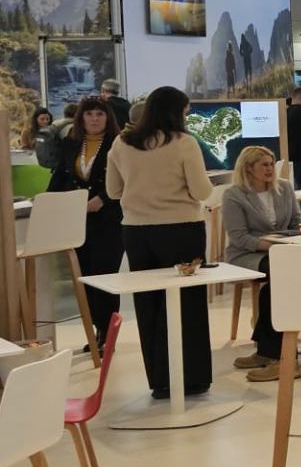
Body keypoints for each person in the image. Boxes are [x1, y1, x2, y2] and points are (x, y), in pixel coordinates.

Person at [106, 85, 215, 398]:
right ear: (176, 112)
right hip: (181, 228)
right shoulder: (183, 142)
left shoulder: (122, 142)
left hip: (136, 232)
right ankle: (190, 378)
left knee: (148, 304)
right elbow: (201, 191)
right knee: (186, 303)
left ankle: (159, 380)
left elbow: (113, 191)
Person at [225, 145, 301, 381]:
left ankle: (271, 353)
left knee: (275, 286)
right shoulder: (234, 195)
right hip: (248, 254)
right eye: (264, 165)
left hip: (283, 251)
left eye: (271, 164)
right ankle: (283, 358)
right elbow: (239, 237)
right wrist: (273, 246)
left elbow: (297, 222)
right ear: (248, 168)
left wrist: (287, 241)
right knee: (280, 276)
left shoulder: (284, 188)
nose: (270, 169)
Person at [49, 95, 123, 341]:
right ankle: (95, 331)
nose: (94, 119)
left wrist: (103, 199)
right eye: (89, 114)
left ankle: (107, 333)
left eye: (99, 114)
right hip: (78, 222)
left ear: (108, 118)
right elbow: (60, 177)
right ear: (81, 118)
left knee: (105, 277)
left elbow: (127, 179)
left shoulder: (118, 144)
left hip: (109, 220)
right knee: (85, 278)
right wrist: (47, 201)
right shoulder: (71, 144)